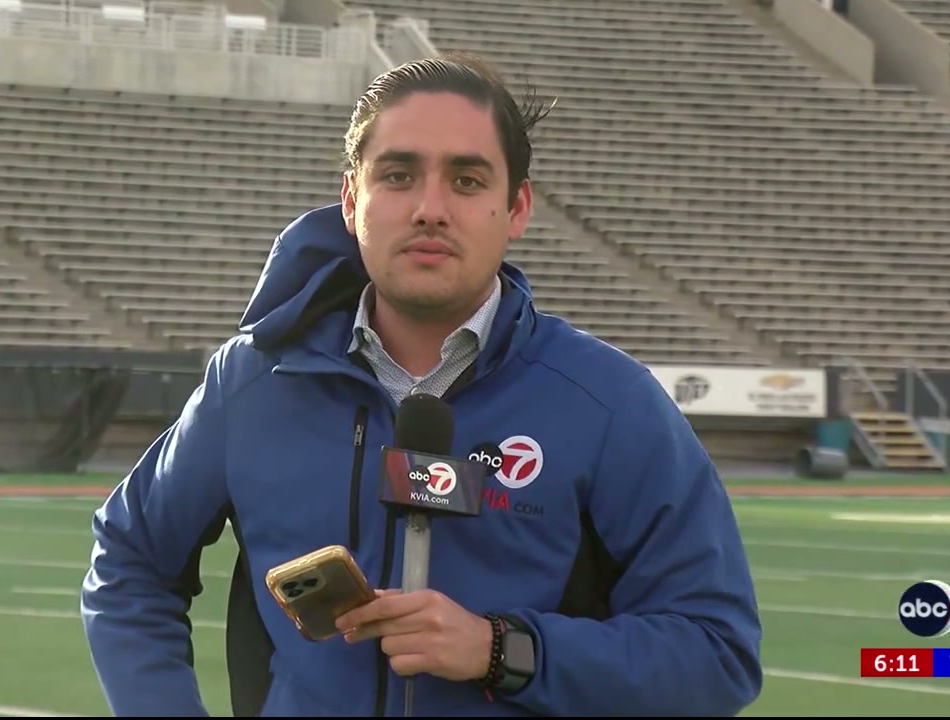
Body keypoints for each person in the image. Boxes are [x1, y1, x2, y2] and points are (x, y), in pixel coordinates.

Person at [80, 52, 764, 717]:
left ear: (517, 209)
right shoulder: (254, 381)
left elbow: (717, 655)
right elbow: (129, 561)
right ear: (353, 200)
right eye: (399, 175)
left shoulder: (609, 403)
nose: (430, 208)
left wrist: (503, 650)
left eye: (466, 181)